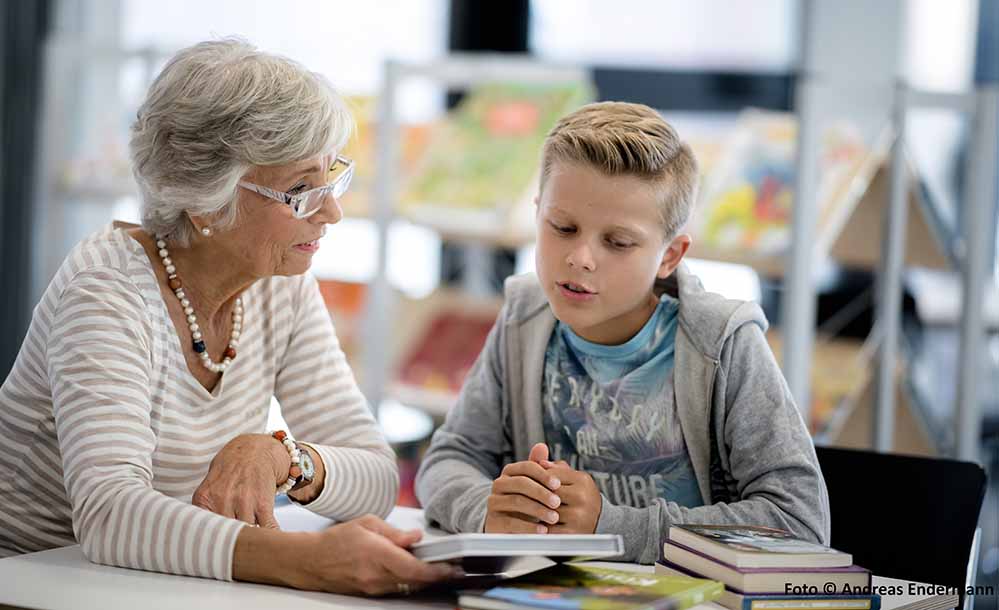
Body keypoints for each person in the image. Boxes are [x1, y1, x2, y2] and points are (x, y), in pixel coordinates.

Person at [0, 39, 455, 595]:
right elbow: (110, 514)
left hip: (147, 586)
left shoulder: (278, 285)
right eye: (300, 191)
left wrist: (285, 458)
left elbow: (377, 475)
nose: (332, 212)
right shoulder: (106, 292)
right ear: (207, 202)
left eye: (331, 177)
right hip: (31, 582)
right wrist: (306, 559)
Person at [415, 102, 831, 564]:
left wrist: (610, 527)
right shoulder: (524, 317)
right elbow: (449, 457)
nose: (581, 258)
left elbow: (799, 523)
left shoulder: (723, 343)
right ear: (538, 215)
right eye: (562, 227)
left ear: (670, 256)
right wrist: (487, 511)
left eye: (617, 243)